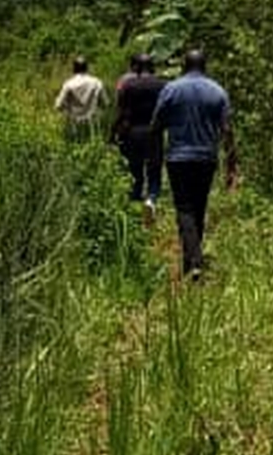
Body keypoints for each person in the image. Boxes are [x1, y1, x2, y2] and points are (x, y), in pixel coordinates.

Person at [149, 48, 238, 281]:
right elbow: (227, 131)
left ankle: (194, 262)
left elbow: (156, 125)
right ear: (205, 66)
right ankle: (192, 262)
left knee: (184, 209)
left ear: (184, 66)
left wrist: (155, 158)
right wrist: (231, 165)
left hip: (178, 158)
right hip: (206, 159)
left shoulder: (171, 89)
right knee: (198, 208)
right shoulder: (218, 91)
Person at [112, 53, 167, 219]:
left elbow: (121, 113)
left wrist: (112, 133)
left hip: (132, 132)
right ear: (152, 67)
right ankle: (151, 198)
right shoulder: (163, 85)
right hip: (154, 131)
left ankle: (135, 200)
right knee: (154, 168)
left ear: (136, 68)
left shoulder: (128, 85)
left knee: (134, 168)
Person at [55, 56, 110, 141]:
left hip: (73, 125)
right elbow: (106, 103)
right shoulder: (97, 82)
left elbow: (58, 106)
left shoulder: (69, 84)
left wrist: (67, 108)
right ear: (86, 68)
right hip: (92, 125)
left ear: (74, 69)